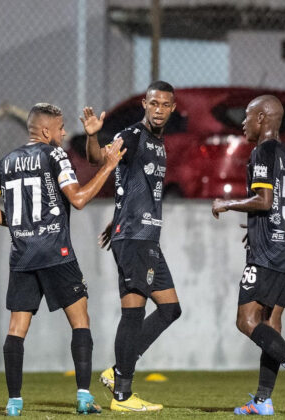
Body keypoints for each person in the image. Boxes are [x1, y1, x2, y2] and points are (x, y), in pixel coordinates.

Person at [0, 103, 125, 416]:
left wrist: (20, 225)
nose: (64, 133)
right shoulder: (54, 155)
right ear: (46, 131)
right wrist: (108, 166)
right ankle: (83, 397)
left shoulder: (6, 161)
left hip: (22, 256)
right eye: (60, 128)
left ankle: (14, 402)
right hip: (56, 253)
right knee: (80, 321)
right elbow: (79, 199)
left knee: (16, 328)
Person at [212, 95, 285, 415]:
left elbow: (263, 200)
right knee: (271, 324)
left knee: (247, 320)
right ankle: (262, 400)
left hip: (270, 251)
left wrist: (226, 203)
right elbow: (281, 203)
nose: (243, 123)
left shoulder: (262, 151)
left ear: (261, 118)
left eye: (248, 116)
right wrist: (256, 227)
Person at [81, 81, 182, 412]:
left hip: (144, 236)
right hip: (135, 238)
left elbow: (134, 186)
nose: (158, 110)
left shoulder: (158, 142)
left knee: (170, 308)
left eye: (165, 105)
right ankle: (122, 395)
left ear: (172, 108)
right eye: (153, 103)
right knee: (134, 312)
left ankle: (118, 371)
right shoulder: (133, 135)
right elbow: (99, 159)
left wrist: (118, 217)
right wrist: (93, 136)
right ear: (144, 104)